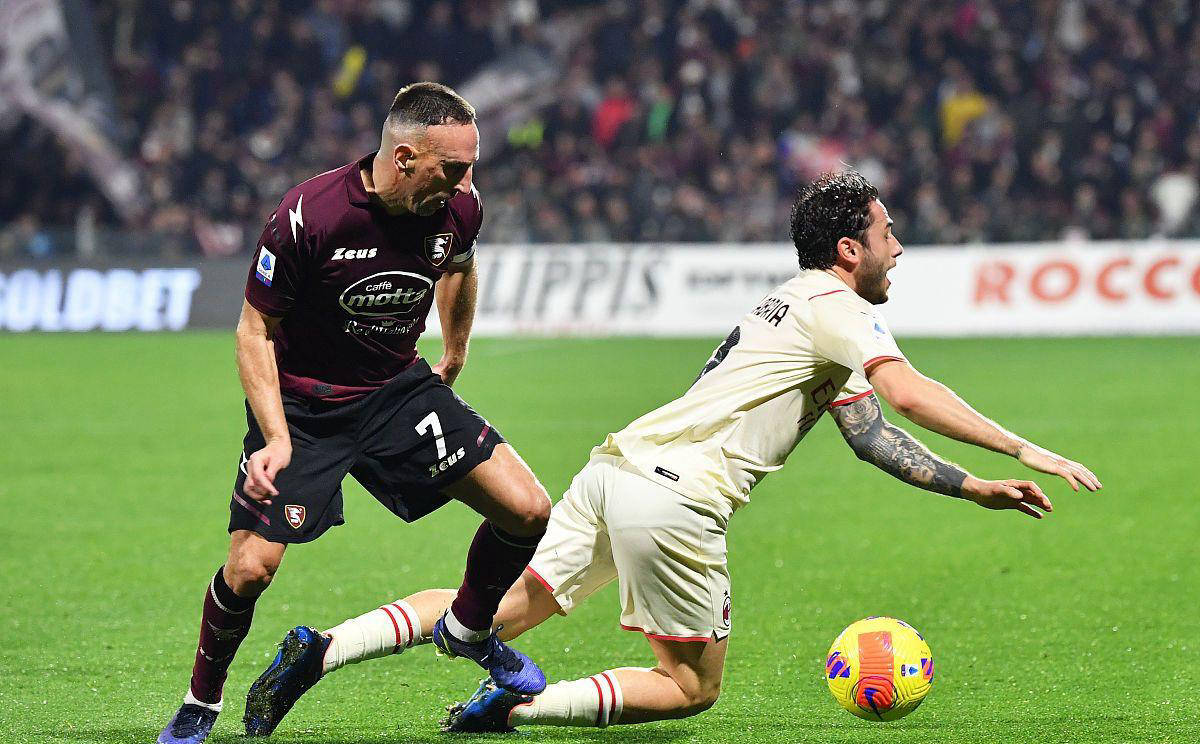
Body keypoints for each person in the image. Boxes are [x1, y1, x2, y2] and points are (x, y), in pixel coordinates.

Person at [247, 171, 1102, 735]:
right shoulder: (841, 311)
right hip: (677, 500)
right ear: (850, 250)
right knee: (691, 687)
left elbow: (872, 431)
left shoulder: (791, 306)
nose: (898, 246)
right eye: (888, 233)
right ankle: (513, 712)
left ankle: (323, 648)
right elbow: (907, 394)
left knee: (497, 609)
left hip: (613, 469)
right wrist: (1024, 448)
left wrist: (971, 486)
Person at [156, 82, 553, 744]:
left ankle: (468, 629)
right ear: (404, 157)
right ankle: (202, 700)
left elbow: (458, 265)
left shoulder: (459, 207)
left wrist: (455, 350)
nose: (465, 183)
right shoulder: (309, 216)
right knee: (250, 569)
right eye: (453, 168)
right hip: (305, 407)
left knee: (528, 509)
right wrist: (275, 438)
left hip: (397, 392)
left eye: (471, 167)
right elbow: (254, 330)